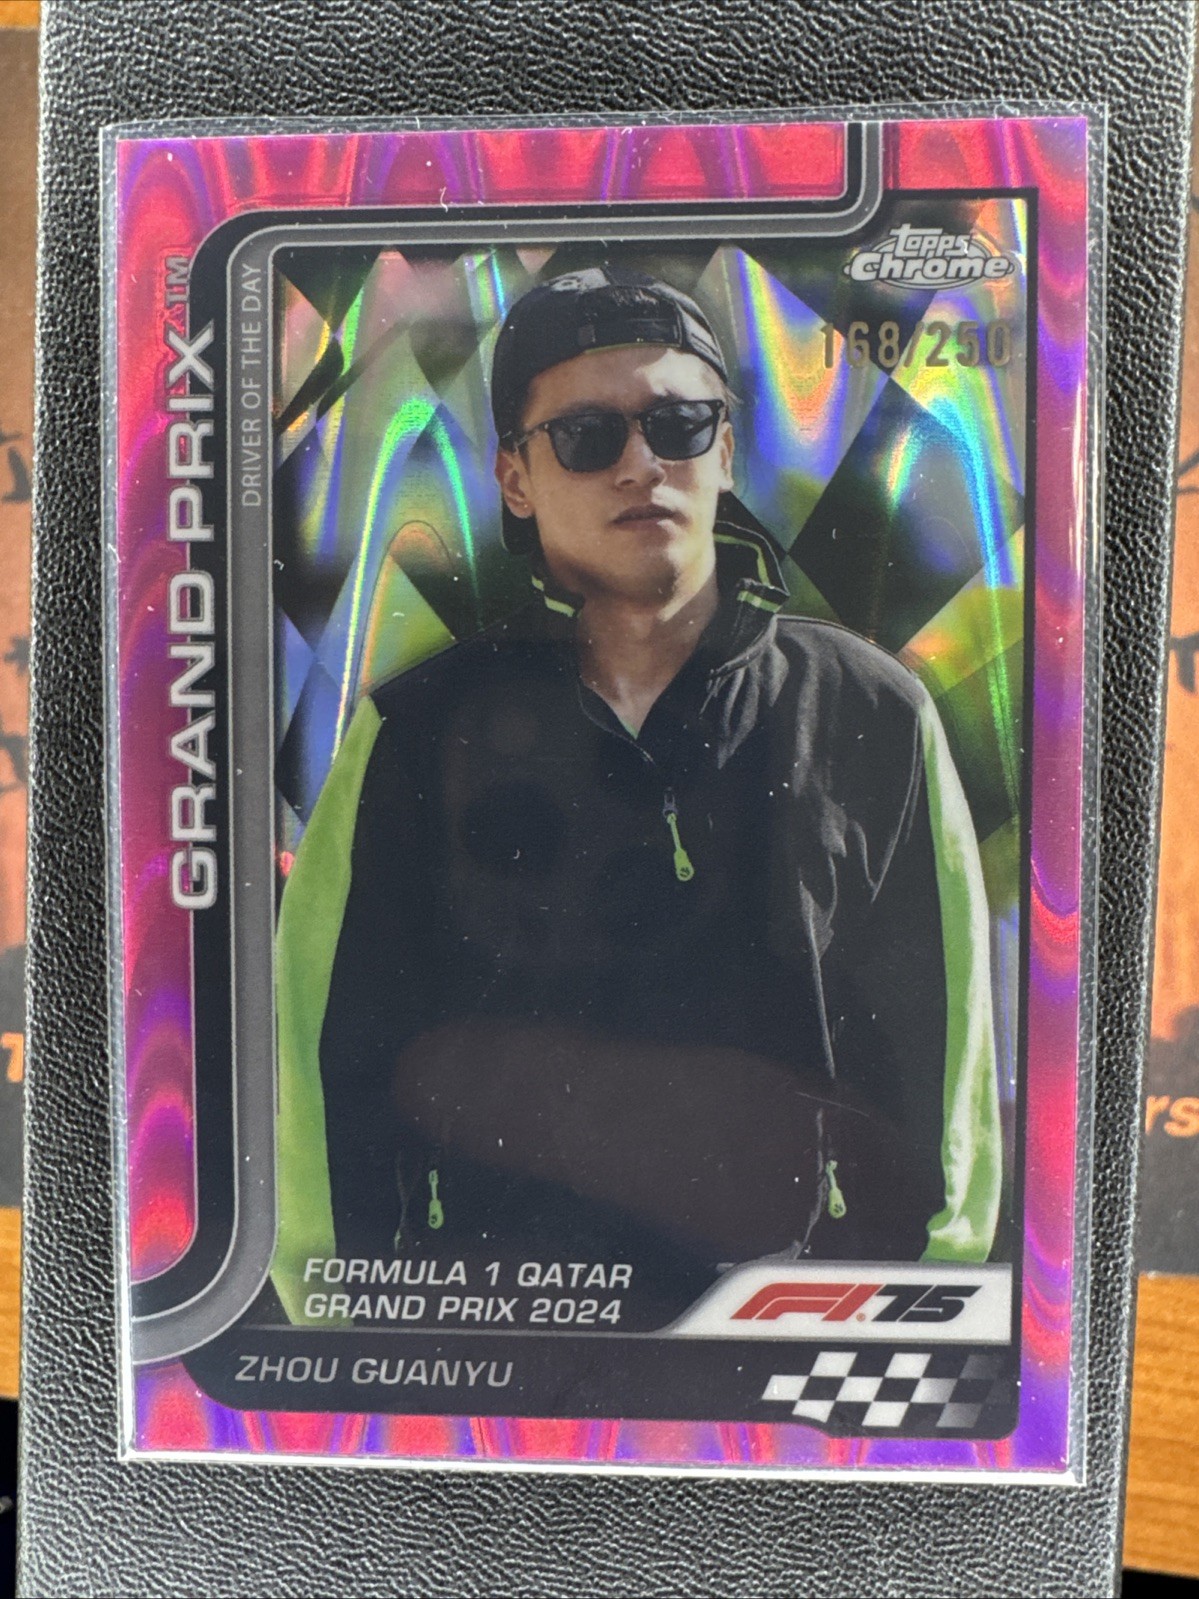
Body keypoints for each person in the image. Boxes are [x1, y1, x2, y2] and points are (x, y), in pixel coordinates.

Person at [271, 267, 1001, 1328]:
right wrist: (356, 1335)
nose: (641, 463)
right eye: (585, 435)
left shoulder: (867, 711)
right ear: (514, 478)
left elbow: (938, 1074)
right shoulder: (414, 731)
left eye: (677, 424)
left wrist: (891, 1323)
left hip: (778, 1337)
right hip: (500, 1337)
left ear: (726, 450)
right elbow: (325, 1064)